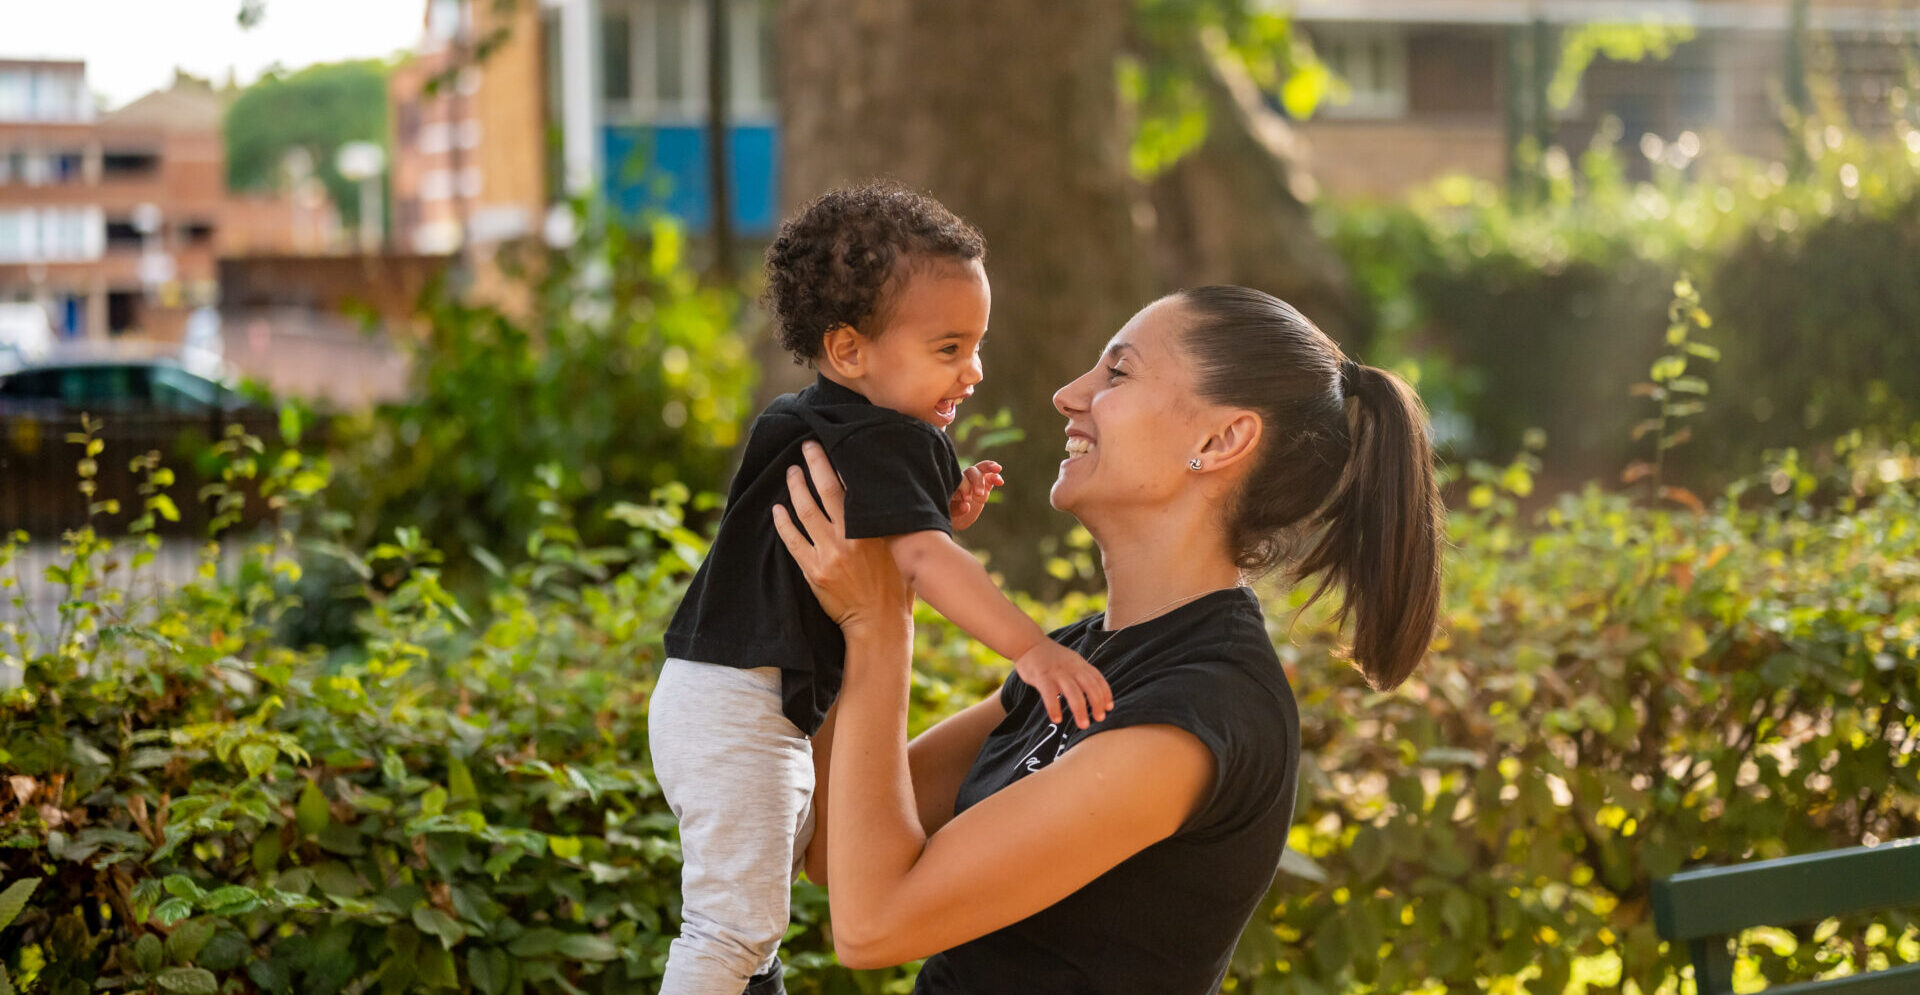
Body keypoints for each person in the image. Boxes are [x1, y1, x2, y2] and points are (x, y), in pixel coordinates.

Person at [773, 285, 1444, 993]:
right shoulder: (1086, 652)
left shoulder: (1203, 709)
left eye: (1117, 373)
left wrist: (880, 623)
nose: (1068, 394)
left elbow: (873, 923)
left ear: (1221, 440)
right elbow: (830, 845)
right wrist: (865, 583)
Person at [650, 182, 1113, 995]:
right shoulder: (884, 436)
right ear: (850, 349)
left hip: (708, 694)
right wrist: (1032, 649)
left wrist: (938, 512)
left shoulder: (811, 418)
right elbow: (925, 565)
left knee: (751, 915)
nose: (973, 370)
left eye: (975, 344)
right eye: (947, 349)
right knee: (729, 927)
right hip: (742, 708)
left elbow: (887, 540)